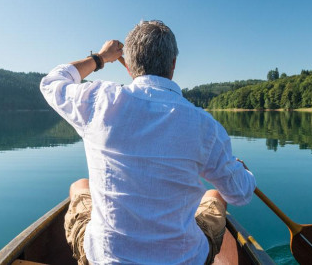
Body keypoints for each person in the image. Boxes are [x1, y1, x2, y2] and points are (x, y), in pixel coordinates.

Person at [39, 20, 256, 264]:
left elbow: (52, 82)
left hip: (104, 259)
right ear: (173, 64)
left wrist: (101, 58)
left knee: (79, 185)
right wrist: (242, 172)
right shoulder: (205, 126)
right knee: (215, 193)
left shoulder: (99, 101)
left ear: (129, 65)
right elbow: (240, 194)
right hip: (184, 259)